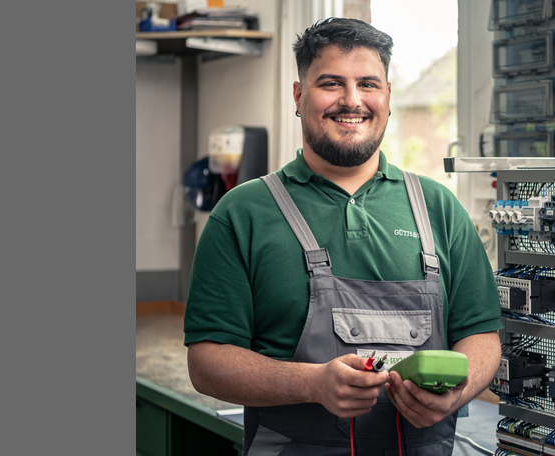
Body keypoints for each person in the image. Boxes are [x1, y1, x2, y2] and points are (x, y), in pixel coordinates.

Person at [184, 18, 502, 455]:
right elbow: (207, 362)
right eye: (331, 83)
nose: (352, 101)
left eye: (368, 84)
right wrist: (311, 383)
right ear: (299, 96)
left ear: (387, 96)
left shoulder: (439, 209)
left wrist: (458, 392)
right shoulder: (242, 214)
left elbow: (482, 337)